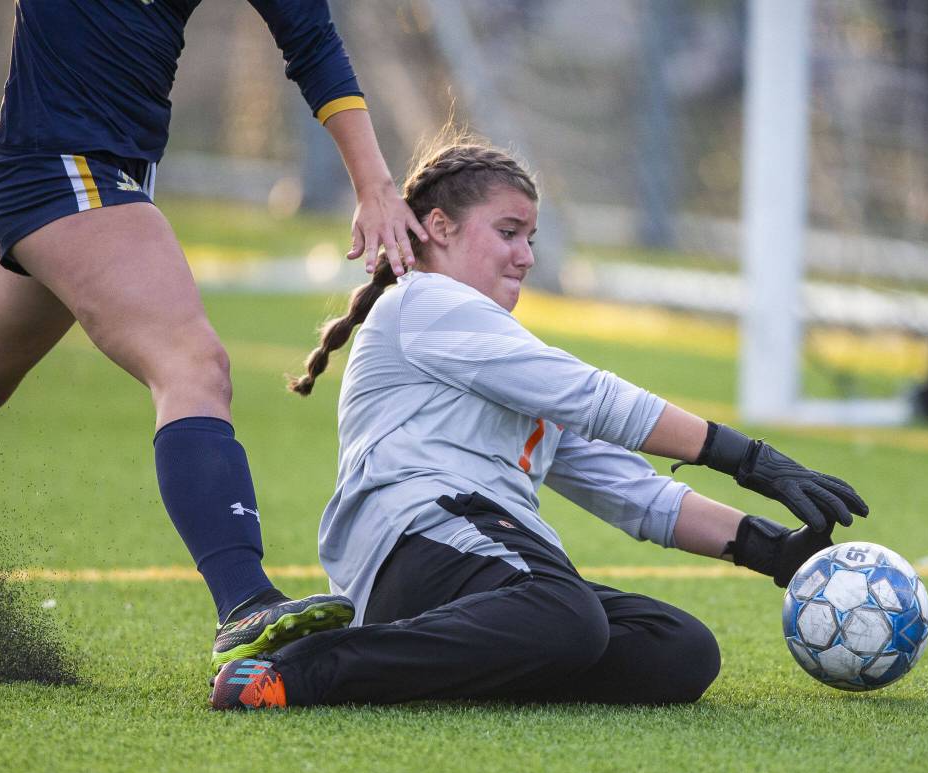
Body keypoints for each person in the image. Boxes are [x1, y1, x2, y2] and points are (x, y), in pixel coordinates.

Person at [208, 132, 869, 709]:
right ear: (439, 228)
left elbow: (631, 490)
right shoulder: (427, 303)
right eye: (507, 233)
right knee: (568, 617)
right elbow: (595, 397)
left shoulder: (498, 350)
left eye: (531, 238)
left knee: (678, 650)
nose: (526, 255)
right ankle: (307, 668)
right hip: (416, 547)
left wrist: (771, 550)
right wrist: (748, 459)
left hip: (479, 568)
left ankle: (456, 663)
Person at [0, 0, 428, 673]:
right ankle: (244, 601)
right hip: (59, 171)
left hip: (101, 175)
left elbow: (311, 38)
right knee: (192, 364)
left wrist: (375, 183)